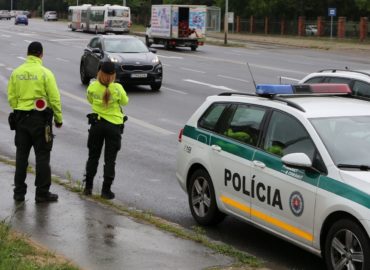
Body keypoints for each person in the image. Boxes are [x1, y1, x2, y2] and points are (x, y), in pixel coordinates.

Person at [7, 41, 63, 203]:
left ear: (28, 54)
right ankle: (42, 193)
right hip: (40, 121)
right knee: (42, 156)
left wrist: (20, 109)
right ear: (41, 55)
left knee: (21, 156)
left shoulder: (17, 73)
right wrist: (58, 119)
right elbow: (54, 99)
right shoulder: (46, 73)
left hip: (21, 120)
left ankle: (19, 193)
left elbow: (11, 97)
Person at [83, 61, 129, 200]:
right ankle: (106, 190)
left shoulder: (92, 87)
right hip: (113, 127)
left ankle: (88, 187)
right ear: (113, 75)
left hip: (97, 125)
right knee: (110, 160)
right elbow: (125, 102)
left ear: (99, 73)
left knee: (93, 156)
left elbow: (90, 100)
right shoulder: (117, 88)